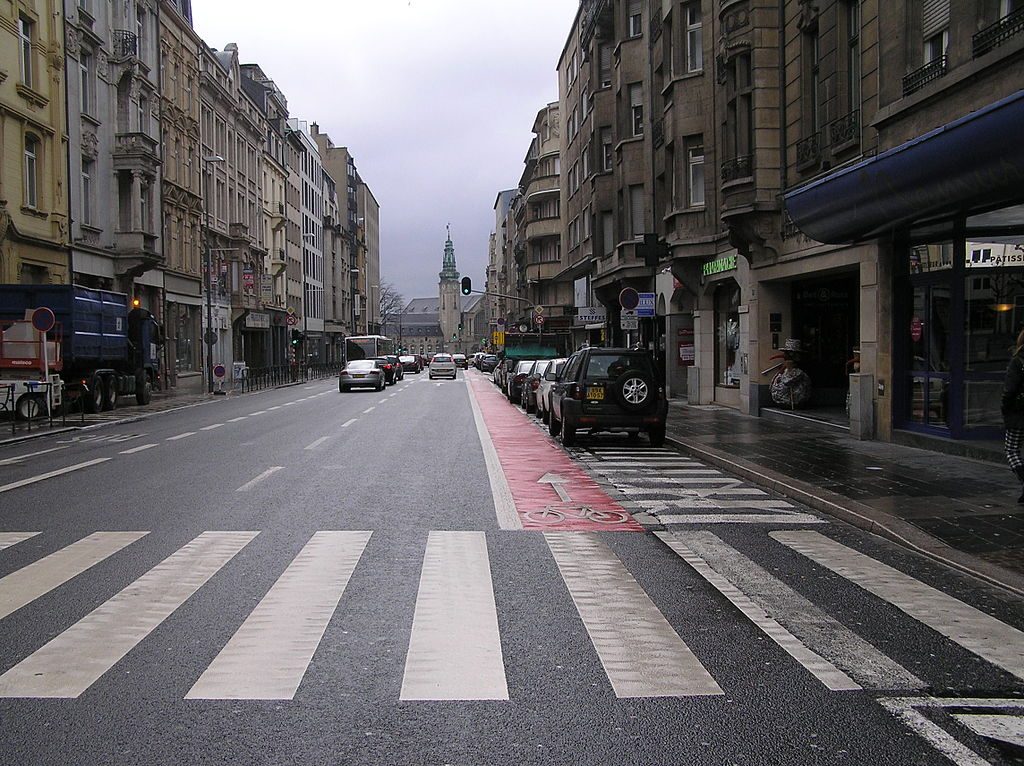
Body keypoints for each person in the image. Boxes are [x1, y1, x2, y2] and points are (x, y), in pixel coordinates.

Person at [1001, 328, 1024, 502]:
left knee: (1011, 450)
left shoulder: (1018, 362)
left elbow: (1009, 391)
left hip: (1018, 413)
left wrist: (1005, 409)